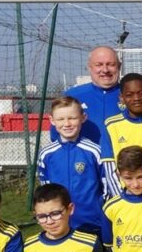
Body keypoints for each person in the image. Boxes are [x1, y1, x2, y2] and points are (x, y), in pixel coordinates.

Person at [37, 96, 106, 235]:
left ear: (83, 118)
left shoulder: (95, 151)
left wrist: (102, 212)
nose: (67, 124)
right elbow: (46, 192)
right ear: (52, 120)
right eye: (60, 119)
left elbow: (107, 188)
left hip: (92, 223)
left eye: (72, 118)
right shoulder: (46, 154)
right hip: (59, 224)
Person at [57, 46, 123, 146]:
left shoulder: (133, 97)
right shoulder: (72, 96)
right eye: (99, 65)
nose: (105, 70)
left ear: (119, 66)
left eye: (111, 64)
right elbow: (57, 135)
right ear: (89, 67)